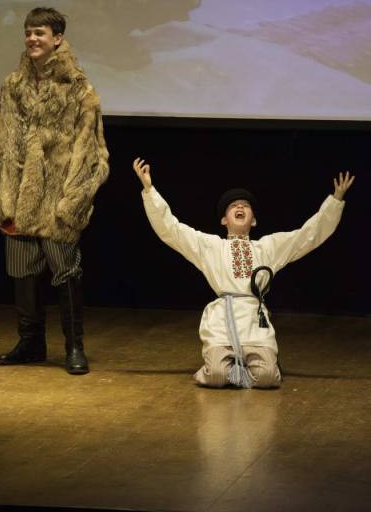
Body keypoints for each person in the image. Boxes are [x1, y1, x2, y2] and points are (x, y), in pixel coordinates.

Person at [133, 158, 354, 389]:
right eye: (233, 206)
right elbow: (172, 229)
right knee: (216, 375)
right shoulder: (211, 246)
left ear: (254, 220)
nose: (240, 208)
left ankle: (252, 366)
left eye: (245, 206)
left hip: (253, 321)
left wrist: (335, 200)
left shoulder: (267, 247)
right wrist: (149, 189)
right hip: (222, 322)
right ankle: (230, 368)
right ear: (224, 219)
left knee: (267, 378)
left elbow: (306, 236)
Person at [0, 7, 110, 375]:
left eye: (40, 33)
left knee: (65, 271)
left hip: (56, 198)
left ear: (57, 38)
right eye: (29, 32)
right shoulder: (13, 85)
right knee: (21, 270)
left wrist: (73, 199)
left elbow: (91, 150)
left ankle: (74, 346)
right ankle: (31, 343)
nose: (32, 39)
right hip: (17, 195)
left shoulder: (78, 88)